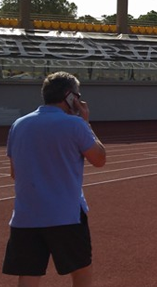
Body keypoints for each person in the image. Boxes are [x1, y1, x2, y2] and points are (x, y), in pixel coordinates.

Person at [3, 71, 107, 286]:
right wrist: (86, 122)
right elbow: (99, 159)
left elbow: (15, 173)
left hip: (26, 214)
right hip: (65, 215)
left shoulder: (19, 125)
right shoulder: (75, 125)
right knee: (81, 271)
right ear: (70, 96)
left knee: (29, 275)